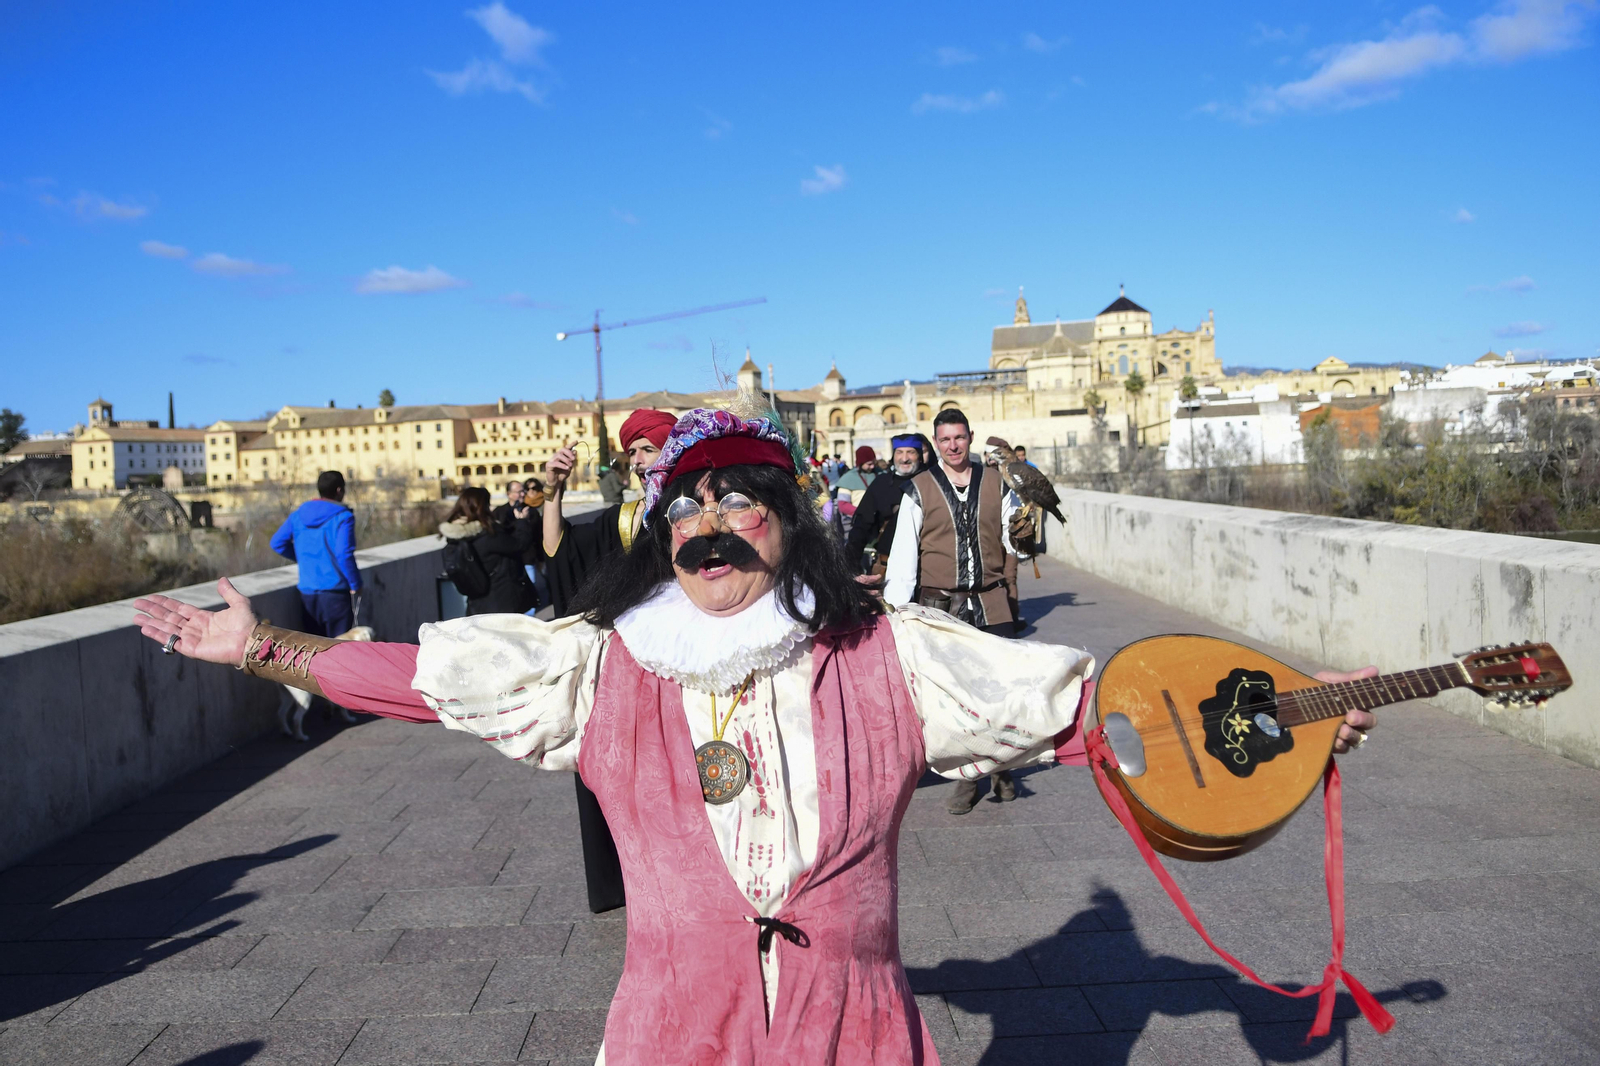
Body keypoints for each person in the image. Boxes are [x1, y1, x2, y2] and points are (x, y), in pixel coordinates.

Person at [133, 402, 1377, 1066]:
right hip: (677, 1037)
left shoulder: (887, 655)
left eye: (740, 499)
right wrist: (261, 649)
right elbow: (426, 677)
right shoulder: (604, 667)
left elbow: (1094, 717)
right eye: (689, 506)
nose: (711, 523)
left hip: (857, 1036)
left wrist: (1296, 708)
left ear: (789, 520)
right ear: (664, 532)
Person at [541, 407, 676, 914]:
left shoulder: (695, 508)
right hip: (624, 667)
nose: (639, 462)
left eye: (648, 450)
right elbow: (562, 554)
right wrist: (552, 491)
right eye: (633, 453)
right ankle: (623, 882)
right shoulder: (627, 517)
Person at [884, 410, 1036, 813]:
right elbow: (903, 556)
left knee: (1000, 693)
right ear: (936, 443)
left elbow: (1016, 543)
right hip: (941, 606)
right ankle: (972, 778)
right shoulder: (918, 488)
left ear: (970, 438)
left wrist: (1025, 534)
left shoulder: (997, 483)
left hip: (991, 600)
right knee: (955, 701)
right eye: (945, 439)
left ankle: (1001, 769)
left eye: (959, 438)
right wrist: (898, 612)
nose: (953, 446)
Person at [269, 470, 361, 638]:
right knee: (339, 650)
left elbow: (277, 543)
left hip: (307, 594)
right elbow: (343, 554)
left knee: (313, 651)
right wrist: (355, 584)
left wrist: (303, 558)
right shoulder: (343, 517)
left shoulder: (298, 515)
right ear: (339, 490)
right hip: (335, 594)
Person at [440, 486, 538, 616]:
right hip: (502, 603)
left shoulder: (457, 536)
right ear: (482, 507)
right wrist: (522, 522)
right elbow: (520, 544)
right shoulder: (488, 536)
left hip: (477, 604)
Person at [844, 433, 924, 576]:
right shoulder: (881, 483)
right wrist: (850, 568)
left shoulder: (930, 482)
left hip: (926, 570)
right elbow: (861, 527)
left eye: (910, 452)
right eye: (899, 452)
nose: (904, 458)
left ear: (919, 455)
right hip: (889, 568)